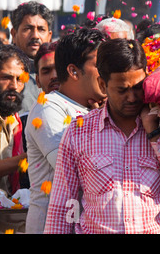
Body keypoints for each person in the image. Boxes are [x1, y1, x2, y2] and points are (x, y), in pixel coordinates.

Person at [43, 38, 160, 234]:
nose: (132, 97)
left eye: (137, 87)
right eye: (122, 90)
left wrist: (155, 133)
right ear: (103, 85)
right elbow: (63, 205)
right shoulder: (79, 131)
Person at [25, 27, 107, 234]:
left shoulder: (95, 107)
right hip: (52, 226)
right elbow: (78, 169)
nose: (109, 72)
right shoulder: (49, 107)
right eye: (100, 65)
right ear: (73, 71)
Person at [0, 44, 30, 233]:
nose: (14, 86)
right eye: (6, 78)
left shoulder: (14, 119)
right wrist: (27, 159)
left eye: (20, 79)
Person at [10, 1, 54, 116]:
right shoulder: (4, 74)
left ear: (49, 36)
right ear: (14, 34)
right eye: (28, 29)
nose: (35, 35)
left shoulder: (62, 73)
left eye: (41, 29)